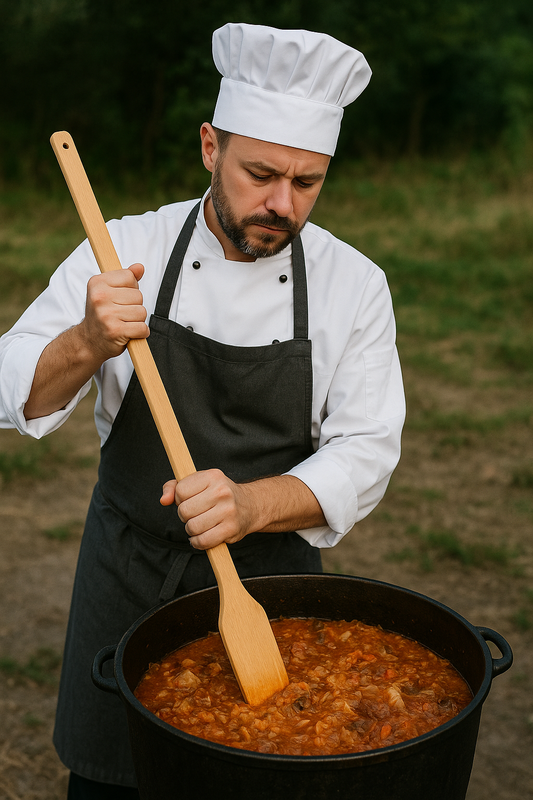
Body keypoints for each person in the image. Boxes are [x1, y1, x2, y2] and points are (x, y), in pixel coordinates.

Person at [0, 22, 405, 798]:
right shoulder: (122, 249)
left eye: (308, 181)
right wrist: (87, 340)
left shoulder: (354, 284)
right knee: (108, 780)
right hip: (126, 573)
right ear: (209, 146)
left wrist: (250, 503)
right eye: (260, 173)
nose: (282, 205)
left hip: (275, 583)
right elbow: (11, 387)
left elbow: (365, 452)